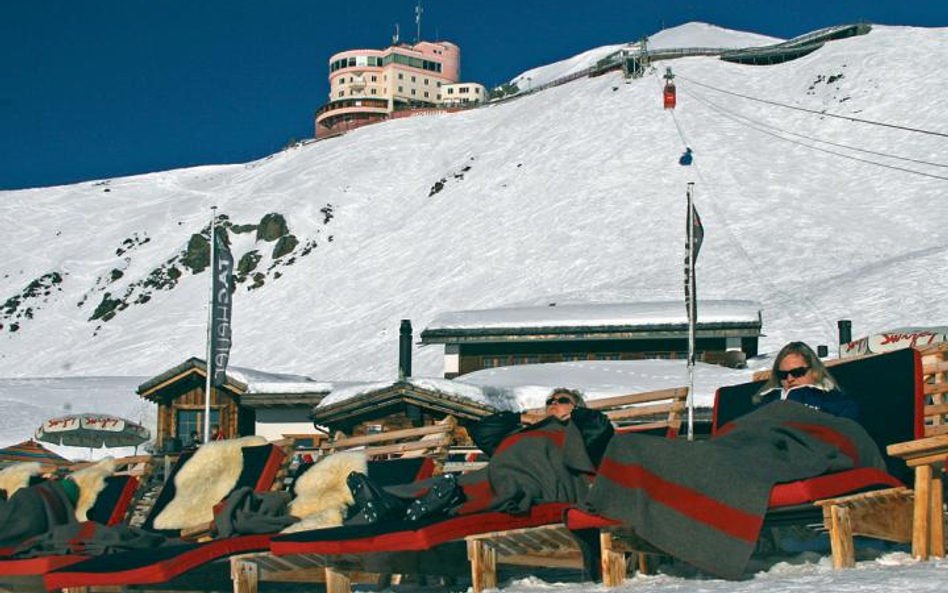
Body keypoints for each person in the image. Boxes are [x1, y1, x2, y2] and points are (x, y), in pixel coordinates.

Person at [753, 341, 860, 421]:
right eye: (783, 375)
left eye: (798, 372)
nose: (790, 379)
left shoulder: (836, 403)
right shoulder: (765, 403)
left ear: (814, 371)